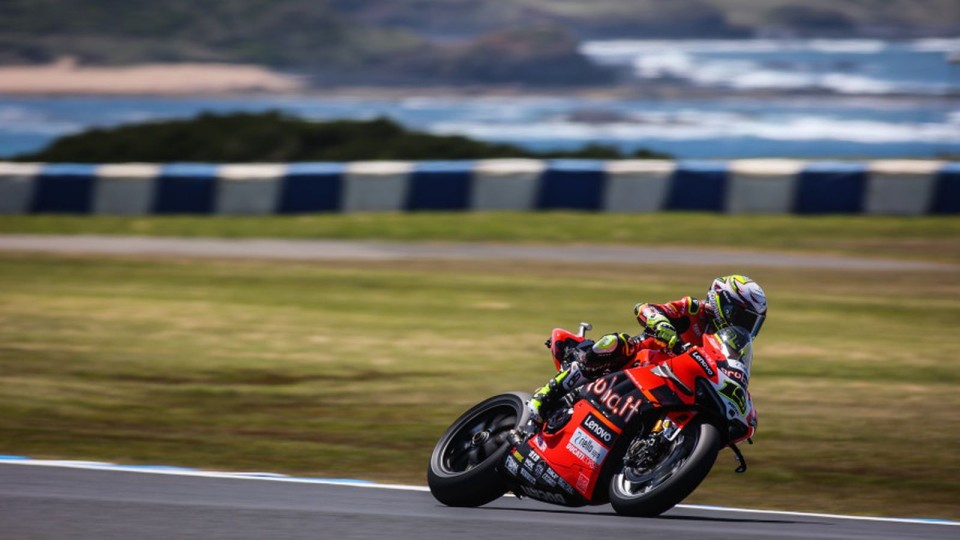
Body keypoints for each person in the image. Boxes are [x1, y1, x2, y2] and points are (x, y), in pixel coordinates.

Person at [526, 274, 767, 425]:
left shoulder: (732, 344)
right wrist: (663, 328)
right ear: (722, 303)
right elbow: (645, 308)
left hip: (677, 386)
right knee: (615, 342)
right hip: (645, 358)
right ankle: (547, 394)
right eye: (741, 317)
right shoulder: (694, 309)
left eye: (750, 323)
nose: (743, 326)